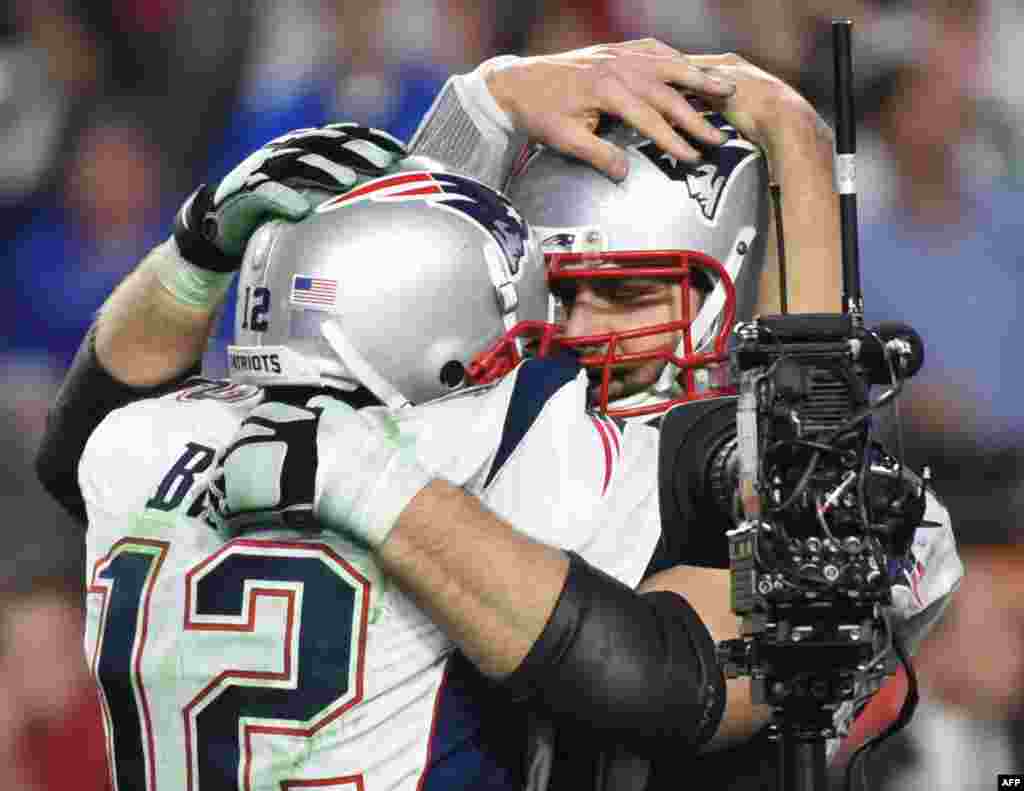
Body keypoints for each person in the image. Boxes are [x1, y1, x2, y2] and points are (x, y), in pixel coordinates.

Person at [214, 48, 962, 791]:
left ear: (739, 276)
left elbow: (801, 470)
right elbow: (394, 277)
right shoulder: (515, 432)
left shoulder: (861, 501)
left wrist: (796, 144)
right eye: (562, 294)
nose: (578, 330)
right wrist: (487, 101)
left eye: (626, 295)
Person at [35, 43, 752, 790]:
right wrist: (793, 143)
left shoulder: (143, 439)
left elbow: (76, 445)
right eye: (551, 302)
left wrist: (196, 250)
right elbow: (687, 679)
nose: (566, 339)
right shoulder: (500, 440)